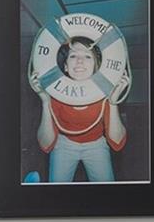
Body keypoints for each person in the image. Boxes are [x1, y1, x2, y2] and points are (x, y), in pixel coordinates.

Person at [35, 36, 127, 183]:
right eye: (73, 56)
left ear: (96, 66)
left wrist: (113, 102)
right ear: (65, 66)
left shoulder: (105, 93)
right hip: (64, 144)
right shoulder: (54, 93)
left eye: (87, 56)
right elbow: (45, 144)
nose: (79, 61)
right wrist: (45, 102)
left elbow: (117, 142)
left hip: (96, 145)